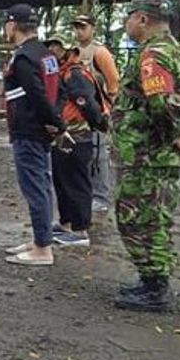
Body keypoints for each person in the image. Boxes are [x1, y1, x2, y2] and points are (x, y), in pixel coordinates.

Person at [113, 0, 180, 311]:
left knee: (136, 218)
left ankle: (155, 288)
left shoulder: (154, 54)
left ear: (142, 19)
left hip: (147, 155)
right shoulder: (175, 49)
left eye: (129, 16)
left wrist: (176, 134)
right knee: (156, 217)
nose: (127, 23)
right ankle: (153, 281)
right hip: (158, 155)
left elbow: (160, 102)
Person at [1, 4, 66, 266]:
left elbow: (36, 94)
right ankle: (42, 238)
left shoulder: (25, 57)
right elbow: (60, 91)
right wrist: (56, 120)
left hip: (28, 129)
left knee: (35, 187)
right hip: (41, 128)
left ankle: (42, 249)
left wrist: (53, 121)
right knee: (43, 184)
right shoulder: (47, 55)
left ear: (12, 25)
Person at [47, 37, 109, 249]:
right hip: (63, 134)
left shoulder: (75, 73)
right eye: (50, 46)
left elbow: (87, 104)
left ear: (67, 49)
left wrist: (97, 123)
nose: (53, 50)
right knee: (62, 180)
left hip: (78, 135)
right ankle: (66, 223)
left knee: (76, 182)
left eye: (57, 46)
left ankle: (80, 229)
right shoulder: (60, 72)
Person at [72, 13, 121, 213]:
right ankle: (87, 193)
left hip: (99, 111)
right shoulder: (73, 52)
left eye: (83, 27)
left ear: (93, 28)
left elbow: (113, 81)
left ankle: (101, 196)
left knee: (99, 155)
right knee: (83, 154)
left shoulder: (99, 52)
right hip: (80, 113)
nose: (79, 31)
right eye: (76, 27)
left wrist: (109, 107)